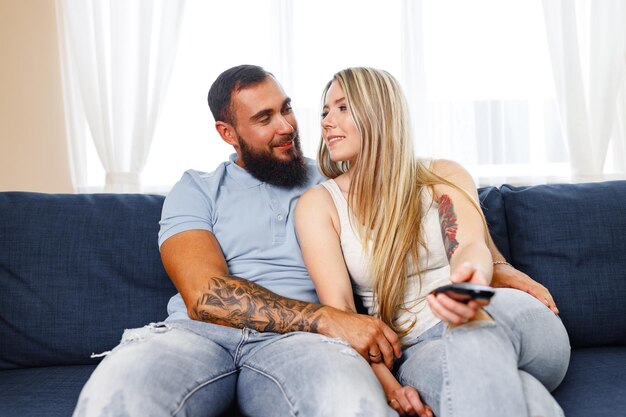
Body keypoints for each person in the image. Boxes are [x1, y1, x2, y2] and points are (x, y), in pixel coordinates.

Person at [73, 64, 560, 417]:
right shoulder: (195, 190)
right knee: (117, 395)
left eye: (287, 109)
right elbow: (204, 295)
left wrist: (496, 265)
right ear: (228, 133)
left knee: (348, 403)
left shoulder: (333, 179)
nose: (288, 126)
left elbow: (439, 216)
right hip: (198, 336)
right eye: (264, 119)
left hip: (305, 345)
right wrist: (332, 320)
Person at [295, 67, 570, 417]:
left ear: (379, 110)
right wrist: (389, 386)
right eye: (324, 112)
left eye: (342, 107)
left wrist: (471, 282)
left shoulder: (443, 174)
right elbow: (343, 315)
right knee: (525, 397)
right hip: (419, 348)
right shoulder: (320, 205)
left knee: (472, 332)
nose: (326, 122)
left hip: (494, 311)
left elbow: (469, 246)